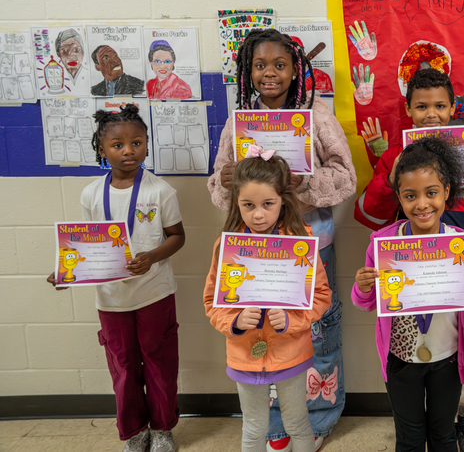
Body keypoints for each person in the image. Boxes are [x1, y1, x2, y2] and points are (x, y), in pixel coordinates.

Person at [208, 28, 357, 451]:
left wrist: (298, 184)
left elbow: (346, 176)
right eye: (260, 65)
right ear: (247, 71)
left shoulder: (316, 114)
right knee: (266, 332)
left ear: (296, 70)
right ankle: (276, 425)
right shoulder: (241, 119)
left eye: (279, 65)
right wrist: (226, 179)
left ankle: (320, 419)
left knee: (317, 330)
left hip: (310, 245)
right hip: (253, 251)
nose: (269, 73)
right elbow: (219, 184)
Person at [353, 68, 464, 452]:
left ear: (452, 108)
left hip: (461, 276)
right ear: (408, 109)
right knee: (418, 353)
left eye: (440, 105)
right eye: (421, 106)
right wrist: (385, 170)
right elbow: (369, 216)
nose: (431, 114)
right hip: (409, 280)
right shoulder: (395, 157)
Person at [48, 104, 185, 452]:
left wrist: (152, 257)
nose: (128, 151)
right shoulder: (91, 194)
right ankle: (134, 431)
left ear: (147, 145)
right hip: (110, 299)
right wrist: (69, 273)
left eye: (137, 143)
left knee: (159, 362)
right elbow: (87, 244)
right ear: (101, 148)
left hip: (154, 293)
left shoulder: (160, 191)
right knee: (122, 367)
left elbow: (177, 236)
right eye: (118, 145)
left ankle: (163, 429)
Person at [204, 152, 332, 452]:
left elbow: (322, 296)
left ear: (283, 201)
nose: (257, 215)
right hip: (244, 355)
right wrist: (233, 322)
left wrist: (292, 321)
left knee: (298, 423)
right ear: (236, 202)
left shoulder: (301, 242)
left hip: (291, 352)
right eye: (248, 205)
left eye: (267, 204)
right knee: (254, 429)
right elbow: (212, 301)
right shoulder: (227, 244)